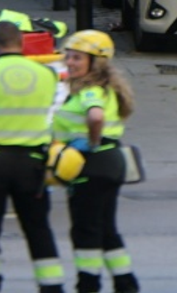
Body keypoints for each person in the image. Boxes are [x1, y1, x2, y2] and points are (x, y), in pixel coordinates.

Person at [0, 21, 67, 293]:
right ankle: (52, 286)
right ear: (22, 43)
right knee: (38, 229)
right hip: (32, 163)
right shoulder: (46, 73)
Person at [52, 30, 140, 293]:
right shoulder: (103, 88)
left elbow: (96, 117)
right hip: (110, 161)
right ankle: (125, 282)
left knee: (85, 230)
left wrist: (90, 143)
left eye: (77, 58)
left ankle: (88, 284)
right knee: (105, 229)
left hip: (91, 163)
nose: (69, 62)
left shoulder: (91, 90)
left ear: (96, 62)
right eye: (68, 57)